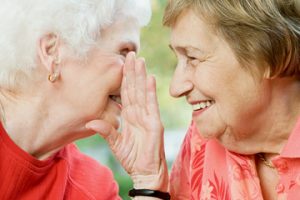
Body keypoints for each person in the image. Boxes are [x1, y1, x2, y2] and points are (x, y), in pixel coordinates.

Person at [95, 0, 300, 199]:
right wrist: (149, 183)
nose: (176, 88)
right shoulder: (202, 142)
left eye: (193, 58)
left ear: (274, 55)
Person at [0, 0, 170, 199]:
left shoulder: (94, 188)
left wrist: (148, 181)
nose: (134, 74)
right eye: (124, 52)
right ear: (52, 52)